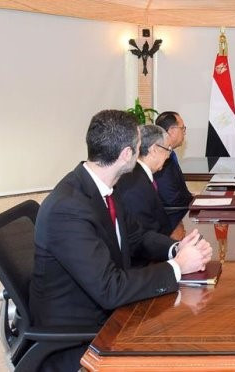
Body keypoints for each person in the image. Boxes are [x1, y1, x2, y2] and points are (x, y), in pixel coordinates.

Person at [30, 110, 213, 371]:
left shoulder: (105, 187)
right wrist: (177, 268)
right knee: (181, 350)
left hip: (108, 309)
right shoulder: (68, 208)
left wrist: (175, 249)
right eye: (139, 146)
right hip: (80, 334)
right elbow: (110, 289)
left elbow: (137, 237)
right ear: (126, 154)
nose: (142, 152)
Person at [116, 124, 175, 239]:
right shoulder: (134, 185)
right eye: (168, 149)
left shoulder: (139, 175)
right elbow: (144, 232)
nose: (168, 156)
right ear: (153, 150)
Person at [154, 111, 194, 235]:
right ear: (171, 130)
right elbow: (171, 199)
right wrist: (195, 201)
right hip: (172, 222)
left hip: (179, 214)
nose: (184, 132)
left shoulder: (170, 154)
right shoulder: (161, 159)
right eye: (182, 128)